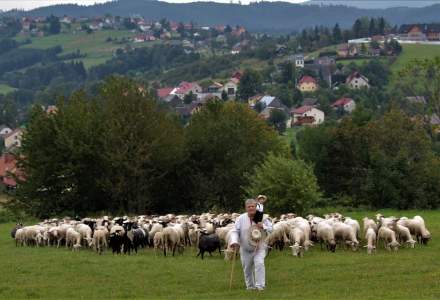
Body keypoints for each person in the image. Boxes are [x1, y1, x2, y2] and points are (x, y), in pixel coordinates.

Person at [229, 199, 273, 291]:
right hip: (245, 248)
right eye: (249, 207)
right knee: (247, 268)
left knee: (259, 263)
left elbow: (271, 229)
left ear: (256, 207)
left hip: (259, 247)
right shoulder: (241, 218)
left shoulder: (262, 217)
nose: (251, 208)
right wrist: (234, 241)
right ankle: (250, 287)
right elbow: (235, 231)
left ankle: (260, 286)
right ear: (246, 208)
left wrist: (263, 226)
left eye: (253, 206)